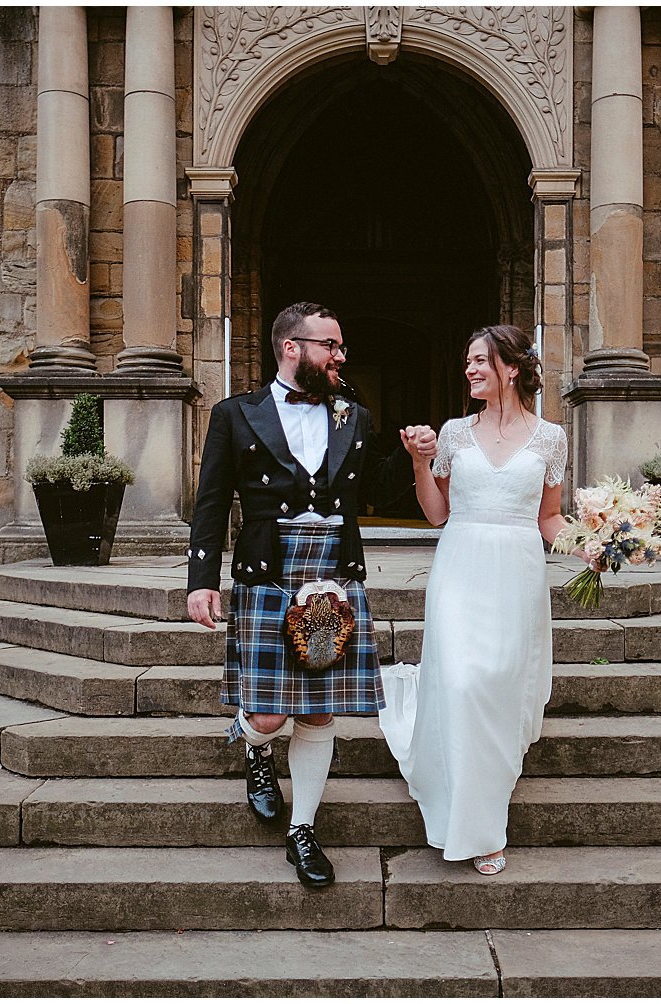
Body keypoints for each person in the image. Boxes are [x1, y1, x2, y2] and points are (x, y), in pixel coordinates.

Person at [186, 301, 435, 888]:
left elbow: (373, 489)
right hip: (268, 573)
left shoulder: (355, 416)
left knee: (320, 710)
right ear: (292, 348)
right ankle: (252, 747)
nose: (341, 356)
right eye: (331, 345)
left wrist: (414, 456)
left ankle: (303, 829)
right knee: (271, 715)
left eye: (340, 346)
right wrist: (201, 581)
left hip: (336, 572)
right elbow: (212, 501)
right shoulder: (235, 414)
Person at [379, 323, 572, 875]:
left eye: (480, 361)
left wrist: (597, 546)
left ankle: (482, 796)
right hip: (459, 567)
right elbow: (437, 514)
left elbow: (549, 519)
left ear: (511, 368)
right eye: (467, 362)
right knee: (463, 682)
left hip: (515, 573)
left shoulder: (550, 438)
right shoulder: (454, 433)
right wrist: (420, 460)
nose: (469, 370)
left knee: (496, 687)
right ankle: (479, 829)